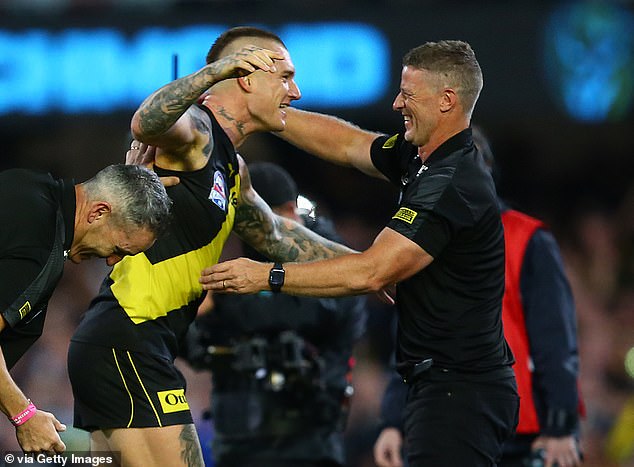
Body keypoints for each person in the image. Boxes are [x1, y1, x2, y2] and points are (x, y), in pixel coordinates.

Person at [200, 40, 519, 466]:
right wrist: (268, 114)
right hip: (446, 385)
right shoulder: (423, 158)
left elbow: (371, 273)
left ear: (446, 101)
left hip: (460, 391)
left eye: (408, 94)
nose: (395, 103)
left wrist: (266, 276)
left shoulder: (450, 183)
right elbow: (350, 144)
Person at [67, 26, 356, 467]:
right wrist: (213, 72)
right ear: (245, 76)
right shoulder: (199, 132)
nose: (295, 92)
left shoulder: (233, 168)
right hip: (127, 341)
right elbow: (147, 122)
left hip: (132, 346)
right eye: (285, 76)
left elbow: (280, 237)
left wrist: (372, 269)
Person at [373, 128, 584, 467]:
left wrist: (561, 423)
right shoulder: (420, 241)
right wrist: (393, 420)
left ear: (484, 171)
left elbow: (554, 337)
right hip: (443, 413)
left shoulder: (528, 239)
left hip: (523, 428)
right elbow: (411, 339)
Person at [184, 161, 368, 467]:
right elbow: (196, 348)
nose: (291, 220)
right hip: (238, 440)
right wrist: (190, 312)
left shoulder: (325, 252)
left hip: (308, 443)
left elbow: (306, 313)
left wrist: (220, 299)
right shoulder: (235, 257)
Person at [0, 163, 171, 454]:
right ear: (98, 212)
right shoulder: (40, 244)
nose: (112, 261)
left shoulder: (25, 185)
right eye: (119, 248)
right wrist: (24, 415)